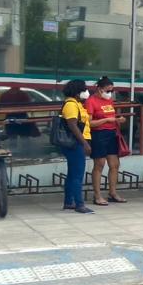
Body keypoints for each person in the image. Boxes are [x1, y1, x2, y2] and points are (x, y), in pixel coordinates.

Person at [86, 76, 127, 206]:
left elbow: (111, 116)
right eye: (107, 90)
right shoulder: (91, 101)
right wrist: (106, 120)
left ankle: (113, 192)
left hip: (112, 133)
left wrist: (118, 119)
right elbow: (89, 123)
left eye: (111, 90)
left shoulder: (109, 101)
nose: (110, 93)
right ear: (99, 89)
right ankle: (97, 195)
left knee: (114, 164)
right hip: (98, 134)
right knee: (99, 164)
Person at [59, 79, 93, 214]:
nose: (86, 92)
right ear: (77, 91)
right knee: (77, 174)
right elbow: (72, 125)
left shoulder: (76, 104)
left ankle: (69, 202)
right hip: (75, 143)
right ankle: (79, 204)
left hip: (77, 142)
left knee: (73, 173)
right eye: (84, 89)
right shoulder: (71, 105)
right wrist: (84, 143)